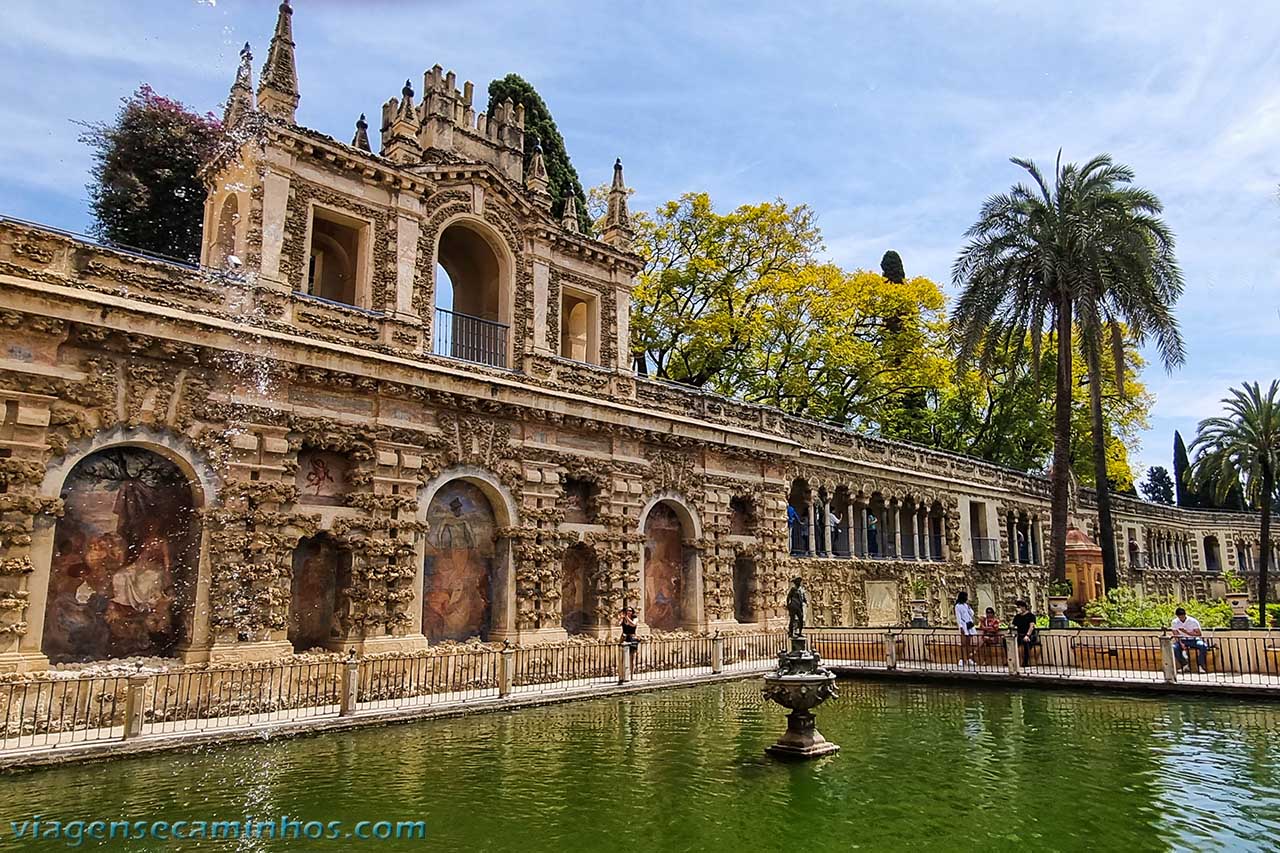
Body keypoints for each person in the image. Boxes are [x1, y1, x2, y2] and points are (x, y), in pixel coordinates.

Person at [1171, 607, 1209, 673]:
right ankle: (1185, 664)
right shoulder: (1175, 622)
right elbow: (1175, 634)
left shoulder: (1193, 621)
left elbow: (1199, 633)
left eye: (1182, 616)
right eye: (1180, 617)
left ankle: (1200, 665)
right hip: (1182, 640)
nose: (1181, 618)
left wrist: (1187, 632)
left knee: (1203, 646)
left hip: (1194, 640)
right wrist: (1180, 643)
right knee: (1174, 648)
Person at [1011, 600, 1038, 667]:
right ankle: (1011, 660)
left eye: (1019, 607)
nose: (1018, 609)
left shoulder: (1031, 616)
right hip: (1020, 635)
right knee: (1009, 642)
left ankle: (1025, 662)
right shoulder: (1017, 617)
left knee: (1026, 643)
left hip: (1029, 635)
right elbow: (1013, 625)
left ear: (1023, 607)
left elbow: (1031, 627)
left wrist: (1027, 635)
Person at [955, 591, 977, 666]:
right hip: (963, 625)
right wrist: (960, 627)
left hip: (969, 624)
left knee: (968, 644)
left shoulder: (966, 605)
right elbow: (958, 617)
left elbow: (972, 613)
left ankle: (968, 659)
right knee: (963, 644)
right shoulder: (958, 606)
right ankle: (961, 659)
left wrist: (969, 607)